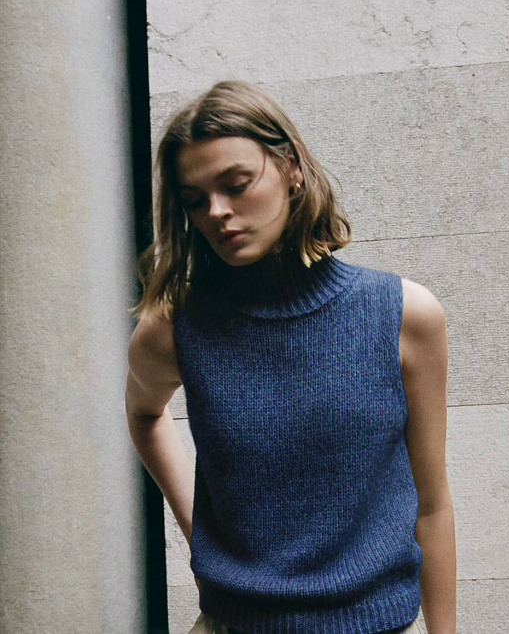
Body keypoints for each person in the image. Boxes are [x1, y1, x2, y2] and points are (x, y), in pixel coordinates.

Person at [125, 80, 457, 634]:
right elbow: (143, 414)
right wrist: (197, 532)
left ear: (292, 167)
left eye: (236, 185)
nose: (217, 212)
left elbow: (433, 504)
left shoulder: (403, 314)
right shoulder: (175, 330)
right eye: (195, 201)